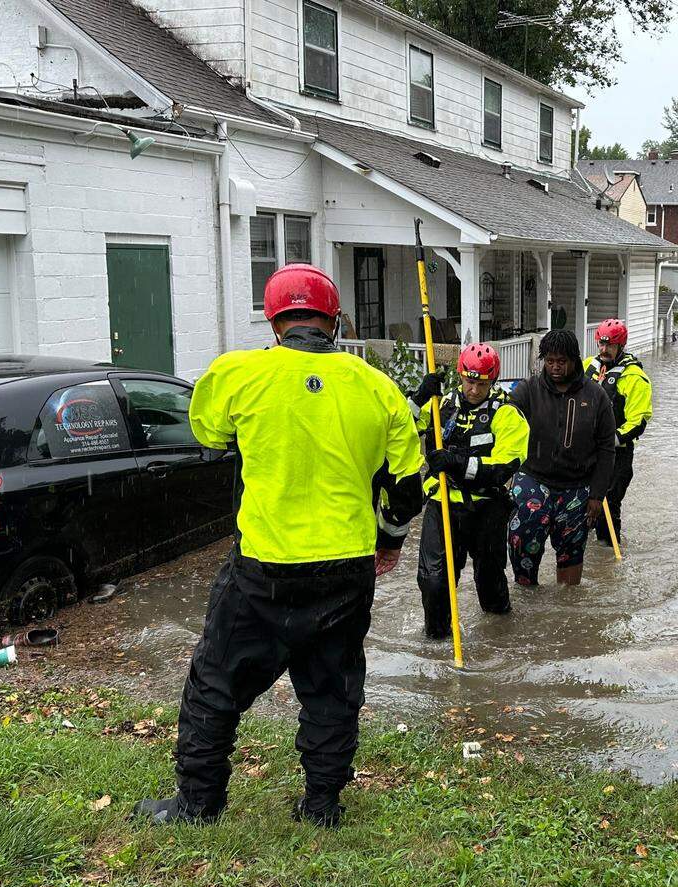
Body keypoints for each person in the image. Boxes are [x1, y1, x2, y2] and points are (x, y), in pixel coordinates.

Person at [132, 264, 424, 828]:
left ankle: (197, 805)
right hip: (345, 567)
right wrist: (388, 540)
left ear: (274, 322)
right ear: (335, 321)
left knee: (215, 683)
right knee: (333, 691)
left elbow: (210, 435)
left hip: (263, 567)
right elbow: (407, 490)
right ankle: (321, 808)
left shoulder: (238, 373)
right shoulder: (378, 386)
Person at [407, 343, 529, 639]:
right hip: (442, 502)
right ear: (461, 376)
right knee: (434, 581)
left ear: (493, 381)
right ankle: (435, 642)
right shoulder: (442, 404)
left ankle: (499, 636)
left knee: (489, 582)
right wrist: (419, 397)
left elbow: (505, 466)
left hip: (487, 507)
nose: (473, 390)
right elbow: (400, 426)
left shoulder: (507, 413)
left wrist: (459, 463)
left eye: (481, 384)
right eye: (469, 381)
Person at [508, 329, 615, 586]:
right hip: (533, 479)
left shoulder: (596, 396)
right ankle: (528, 601)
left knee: (572, 554)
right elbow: (504, 417)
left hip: (577, 488)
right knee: (522, 542)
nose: (555, 367)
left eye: (562, 362)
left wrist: (597, 495)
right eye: (550, 361)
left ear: (575, 360)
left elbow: (606, 449)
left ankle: (566, 605)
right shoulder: (529, 390)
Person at [583, 318, 653, 543]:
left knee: (608, 505)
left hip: (617, 453)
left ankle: (607, 555)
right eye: (601, 344)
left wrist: (608, 440)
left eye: (609, 345)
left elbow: (637, 421)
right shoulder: (587, 367)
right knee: (581, 503)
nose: (604, 350)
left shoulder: (634, 377)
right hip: (586, 450)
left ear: (620, 346)